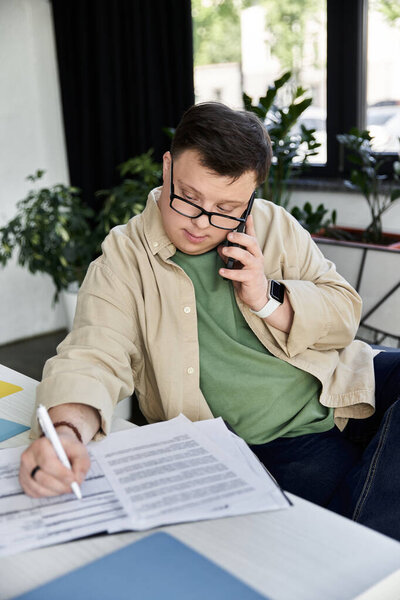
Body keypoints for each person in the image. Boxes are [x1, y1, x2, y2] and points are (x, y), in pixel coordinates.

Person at [19, 102, 400, 541]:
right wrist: (66, 433)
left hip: (336, 386)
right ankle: (363, 541)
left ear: (253, 194)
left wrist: (266, 297)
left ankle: (367, 549)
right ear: (167, 167)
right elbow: (93, 355)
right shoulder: (125, 257)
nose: (202, 223)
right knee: (315, 529)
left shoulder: (273, 224)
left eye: (227, 208)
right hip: (277, 441)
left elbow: (344, 315)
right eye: (190, 198)